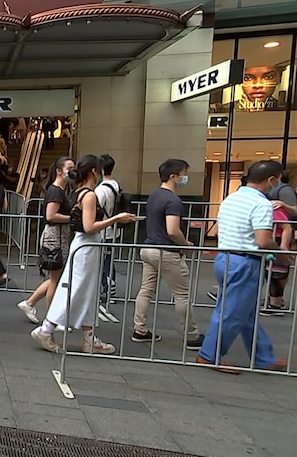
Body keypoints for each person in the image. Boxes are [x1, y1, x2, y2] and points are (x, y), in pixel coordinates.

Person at [30, 155, 135, 354]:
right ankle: (48, 328)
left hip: (85, 246)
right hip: (86, 246)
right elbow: (89, 226)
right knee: (77, 290)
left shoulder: (79, 192)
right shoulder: (89, 195)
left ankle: (87, 337)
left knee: (85, 291)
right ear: (94, 171)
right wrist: (116, 219)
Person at [198, 160, 289, 372]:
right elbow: (263, 240)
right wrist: (282, 255)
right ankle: (209, 355)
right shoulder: (261, 204)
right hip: (245, 261)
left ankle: (264, 356)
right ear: (271, 180)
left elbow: (220, 230)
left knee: (243, 312)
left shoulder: (231, 199)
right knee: (232, 312)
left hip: (225, 257)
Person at [131, 159, 204, 349]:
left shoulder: (154, 195)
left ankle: (140, 329)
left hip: (148, 249)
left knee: (146, 290)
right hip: (166, 251)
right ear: (174, 176)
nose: (185, 177)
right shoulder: (173, 200)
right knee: (181, 295)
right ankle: (192, 336)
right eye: (184, 173)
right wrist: (185, 243)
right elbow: (172, 230)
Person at [17, 157, 74, 324]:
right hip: (54, 238)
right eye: (69, 168)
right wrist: (72, 218)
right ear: (59, 170)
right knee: (56, 280)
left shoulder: (59, 190)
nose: (73, 171)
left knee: (55, 278)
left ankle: (30, 303)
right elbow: (51, 216)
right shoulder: (56, 191)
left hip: (58, 237)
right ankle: (51, 319)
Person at [94, 154, 119, 299]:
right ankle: (110, 286)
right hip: (113, 229)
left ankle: (107, 288)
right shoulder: (116, 185)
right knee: (108, 260)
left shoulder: (101, 189)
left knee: (104, 262)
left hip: (103, 229)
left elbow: (97, 208)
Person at [262, 204, 292, 317]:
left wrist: (283, 247)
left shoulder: (273, 209)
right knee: (272, 273)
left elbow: (287, 227)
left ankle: (276, 305)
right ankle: (275, 302)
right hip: (272, 241)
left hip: (276, 241)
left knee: (276, 274)